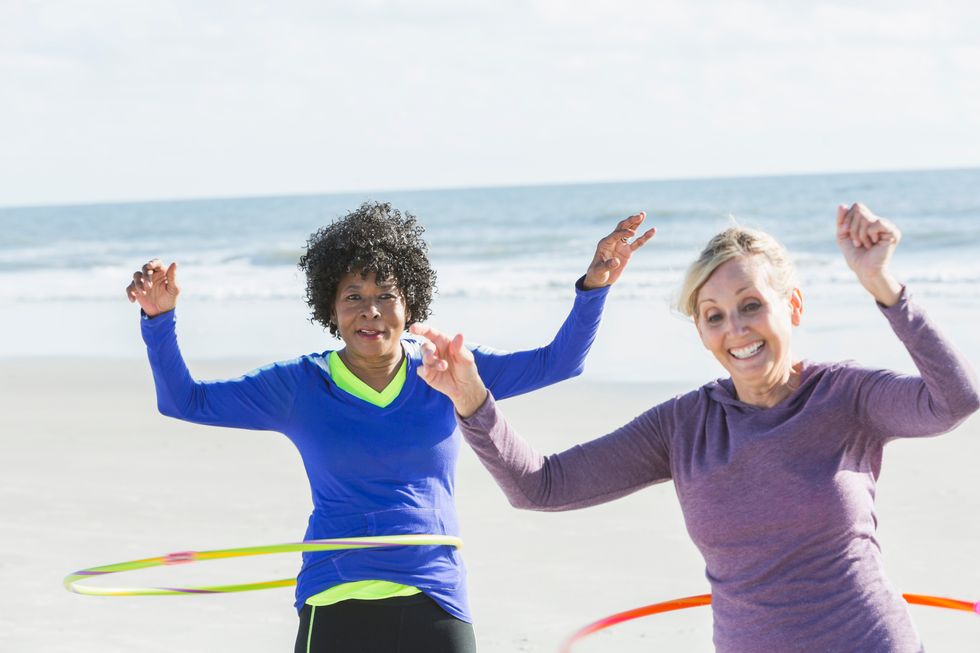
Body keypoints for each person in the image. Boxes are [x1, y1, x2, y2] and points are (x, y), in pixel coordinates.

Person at [413, 203, 980, 653]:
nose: (735, 329)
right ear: (702, 331)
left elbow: (955, 399)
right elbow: (540, 486)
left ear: (794, 308)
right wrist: (472, 399)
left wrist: (884, 286)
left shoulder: (846, 396)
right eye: (713, 315)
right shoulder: (684, 425)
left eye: (751, 304)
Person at [124, 201, 655, 653]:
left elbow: (559, 362)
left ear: (410, 304)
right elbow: (184, 401)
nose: (370, 311)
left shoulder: (448, 371)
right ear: (330, 309)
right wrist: (158, 318)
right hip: (336, 595)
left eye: (386, 296)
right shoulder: (299, 386)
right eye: (353, 296)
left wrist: (594, 286)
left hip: (434, 592)